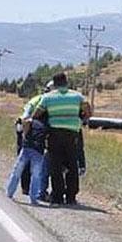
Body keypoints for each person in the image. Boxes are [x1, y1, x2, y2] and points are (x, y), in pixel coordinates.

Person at [33, 72, 90, 205]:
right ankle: (71, 197)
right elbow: (88, 110)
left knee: (56, 166)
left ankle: (57, 196)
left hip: (54, 134)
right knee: (72, 165)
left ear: (55, 83)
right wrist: (81, 120)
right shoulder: (77, 96)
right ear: (66, 82)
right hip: (72, 135)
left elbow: (37, 114)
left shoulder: (48, 97)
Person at [6, 116, 47, 205]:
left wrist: (24, 138)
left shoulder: (31, 121)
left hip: (27, 147)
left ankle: (10, 192)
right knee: (36, 175)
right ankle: (33, 198)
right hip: (38, 150)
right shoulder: (47, 125)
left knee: (17, 171)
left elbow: (22, 126)